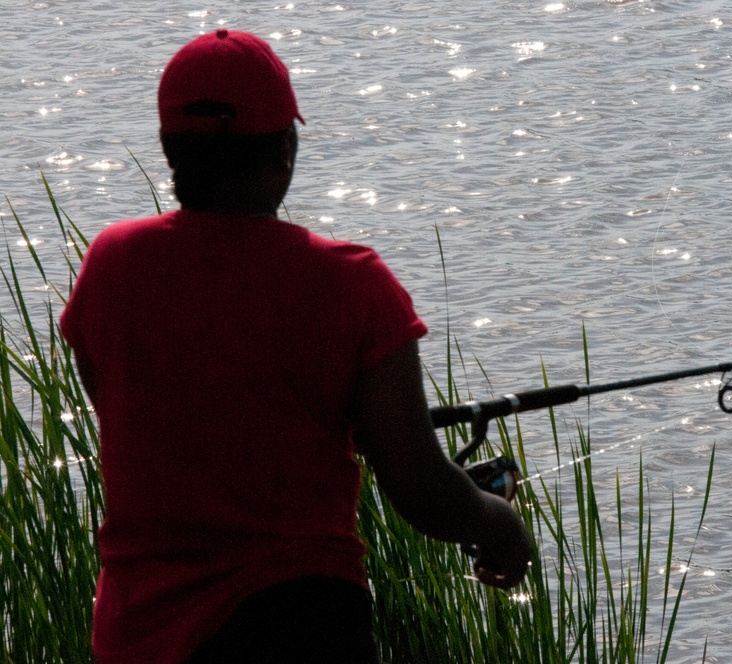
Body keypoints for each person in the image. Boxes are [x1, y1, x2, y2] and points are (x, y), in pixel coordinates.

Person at [60, 29, 532, 664]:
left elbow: (113, 399)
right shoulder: (353, 284)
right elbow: (421, 491)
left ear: (171, 147)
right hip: (300, 624)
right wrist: (496, 523)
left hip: (140, 638)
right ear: (283, 150)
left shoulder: (111, 267)